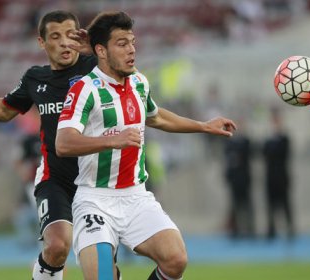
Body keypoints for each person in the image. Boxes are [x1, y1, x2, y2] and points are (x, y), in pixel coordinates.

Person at [56, 11, 237, 280]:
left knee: (176, 259)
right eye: (122, 43)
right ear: (101, 51)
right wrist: (112, 140)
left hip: (136, 196)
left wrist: (202, 125)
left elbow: (157, 116)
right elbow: (63, 143)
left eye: (132, 42)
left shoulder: (139, 82)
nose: (131, 50)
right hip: (95, 199)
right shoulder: (84, 89)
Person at [0, 10, 122, 280]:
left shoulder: (96, 67)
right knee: (56, 246)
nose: (64, 42)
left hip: (97, 178)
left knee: (101, 270)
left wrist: (96, 45)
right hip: (55, 177)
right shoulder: (35, 78)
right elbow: (3, 110)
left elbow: (127, 66)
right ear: (42, 43)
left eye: (70, 35)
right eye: (55, 36)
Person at [263, 110, 294, 240]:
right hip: (270, 178)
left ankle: (290, 229)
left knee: (285, 204)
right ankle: (271, 230)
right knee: (271, 205)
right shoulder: (268, 140)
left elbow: (283, 154)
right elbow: (265, 154)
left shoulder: (285, 139)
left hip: (282, 177)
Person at [223, 126, 255, 239]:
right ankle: (235, 230)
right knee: (235, 206)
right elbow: (227, 162)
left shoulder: (245, 142)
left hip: (244, 180)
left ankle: (250, 229)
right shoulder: (229, 144)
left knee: (247, 205)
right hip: (234, 180)